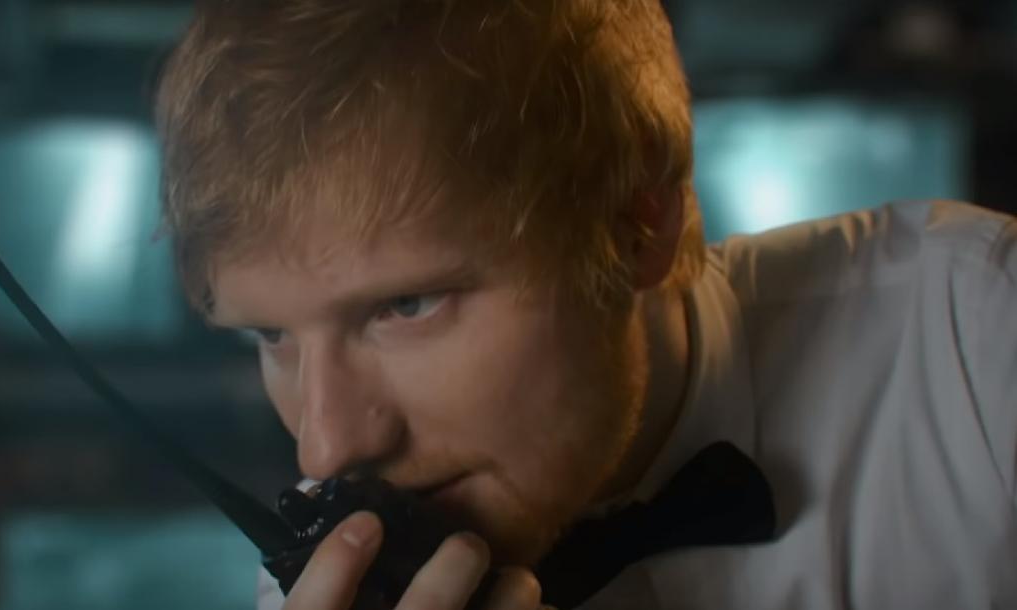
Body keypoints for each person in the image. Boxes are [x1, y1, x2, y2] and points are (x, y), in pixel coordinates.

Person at [154, 1, 1017, 608]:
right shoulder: (341, 576)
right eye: (270, 333)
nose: (327, 445)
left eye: (405, 305)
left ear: (636, 219)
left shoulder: (980, 338)